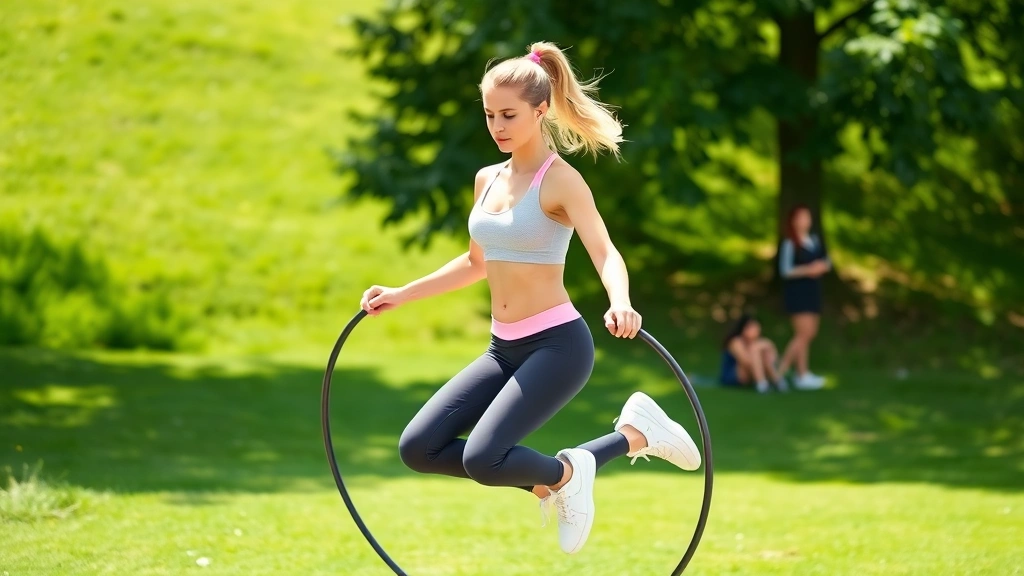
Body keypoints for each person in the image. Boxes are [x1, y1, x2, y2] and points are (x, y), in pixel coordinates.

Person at [358, 42, 701, 556]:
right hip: (503, 348)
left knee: (482, 458)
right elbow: (476, 263)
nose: (497, 126)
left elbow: (606, 252)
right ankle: (612, 448)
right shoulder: (487, 179)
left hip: (557, 346)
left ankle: (575, 468)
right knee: (418, 447)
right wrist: (403, 294)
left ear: (541, 111)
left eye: (509, 115)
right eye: (490, 114)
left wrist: (620, 300)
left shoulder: (560, 181)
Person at [776, 204, 828, 390]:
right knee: (803, 333)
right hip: (798, 294)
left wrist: (822, 267)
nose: (805, 221)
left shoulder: (814, 239)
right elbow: (785, 270)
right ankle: (779, 372)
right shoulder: (790, 243)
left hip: (813, 292)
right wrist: (808, 270)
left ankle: (802, 374)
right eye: (801, 217)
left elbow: (825, 260)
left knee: (809, 333)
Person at [719, 315, 787, 393]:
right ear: (743, 329)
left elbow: (774, 359)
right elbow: (745, 361)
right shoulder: (736, 342)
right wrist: (756, 351)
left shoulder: (761, 342)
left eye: (757, 327)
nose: (756, 330)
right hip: (733, 376)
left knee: (762, 353)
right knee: (755, 349)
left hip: (750, 374)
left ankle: (776, 382)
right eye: (752, 327)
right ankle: (763, 383)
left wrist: (766, 356)